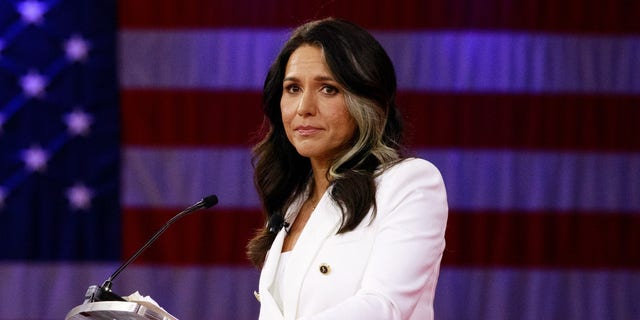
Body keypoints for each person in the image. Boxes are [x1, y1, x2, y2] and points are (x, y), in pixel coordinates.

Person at [246, 17, 448, 320]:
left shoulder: (409, 183)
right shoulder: (292, 203)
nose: (304, 107)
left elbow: (383, 307)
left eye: (328, 89)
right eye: (293, 88)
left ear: (366, 102)